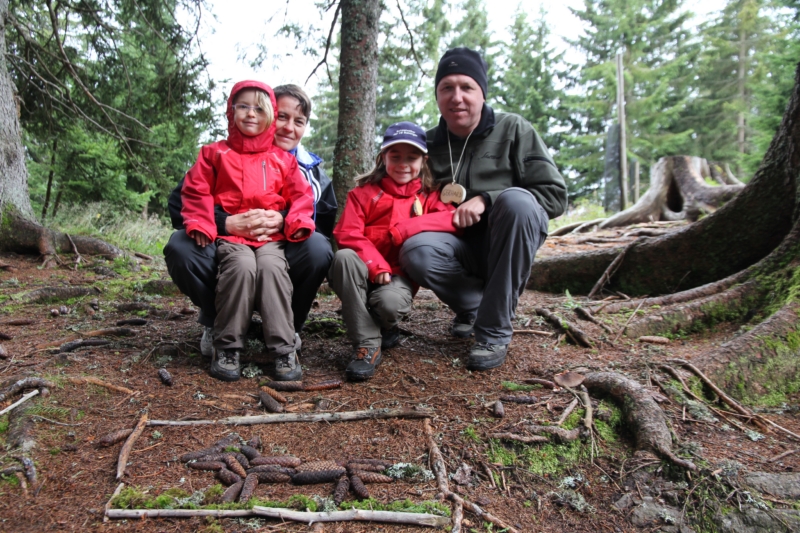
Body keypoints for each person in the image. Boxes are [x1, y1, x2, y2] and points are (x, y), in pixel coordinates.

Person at [399, 47, 568, 371]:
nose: (457, 97)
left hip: (506, 242)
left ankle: (493, 332)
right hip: (456, 246)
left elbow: (554, 196)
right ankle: (475, 307)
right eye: (446, 88)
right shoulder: (426, 145)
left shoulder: (514, 129)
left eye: (467, 87)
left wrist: (488, 198)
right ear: (437, 95)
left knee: (516, 202)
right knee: (415, 249)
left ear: (482, 93)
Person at [164, 84, 336, 367]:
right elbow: (182, 203)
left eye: (299, 121)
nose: (288, 127)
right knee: (184, 247)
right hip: (227, 248)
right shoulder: (219, 155)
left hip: (280, 251)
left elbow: (320, 222)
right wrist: (225, 223)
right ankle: (217, 323)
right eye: (283, 116)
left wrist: (284, 220)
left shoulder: (310, 171)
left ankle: (287, 329)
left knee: (316, 248)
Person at [330, 122, 459, 381]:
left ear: (423, 161)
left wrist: (406, 228)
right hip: (363, 270)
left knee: (389, 305)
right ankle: (367, 345)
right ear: (383, 157)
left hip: (399, 277)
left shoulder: (430, 196)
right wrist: (375, 265)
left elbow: (451, 220)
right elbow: (347, 233)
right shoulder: (363, 193)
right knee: (343, 257)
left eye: (411, 158)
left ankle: (382, 324)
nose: (403, 164)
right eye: (395, 156)